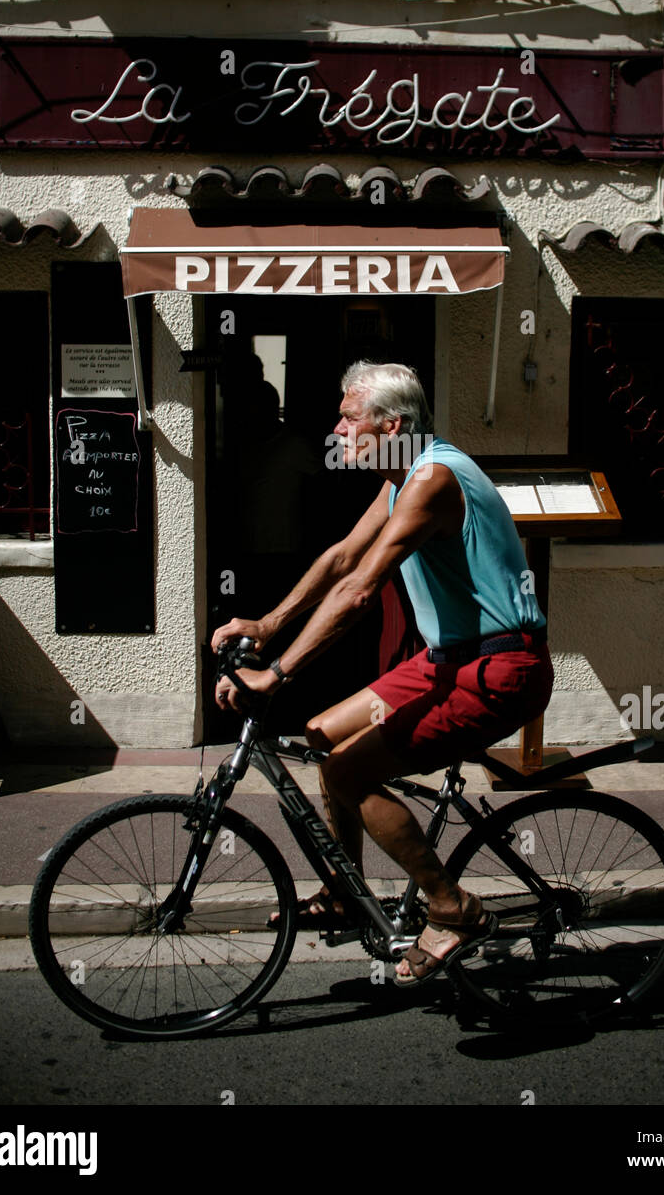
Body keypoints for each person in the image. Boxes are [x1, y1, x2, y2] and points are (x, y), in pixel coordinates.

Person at [212, 361, 553, 985]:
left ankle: (451, 908)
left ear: (391, 424)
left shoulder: (434, 482)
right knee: (321, 735)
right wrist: (266, 623)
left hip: (500, 670)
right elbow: (344, 557)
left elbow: (360, 591)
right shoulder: (401, 478)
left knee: (349, 769)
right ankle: (347, 890)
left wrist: (276, 673)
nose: (336, 428)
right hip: (446, 661)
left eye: (349, 416)